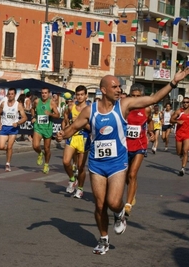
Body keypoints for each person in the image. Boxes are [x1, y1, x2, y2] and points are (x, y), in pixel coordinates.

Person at [56, 71, 189, 255]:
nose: (119, 90)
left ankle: (119, 214)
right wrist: (63, 135)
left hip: (117, 163)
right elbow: (73, 127)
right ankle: (103, 239)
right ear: (103, 90)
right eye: (115, 87)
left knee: (113, 201)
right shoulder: (90, 110)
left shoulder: (124, 105)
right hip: (96, 163)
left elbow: (152, 99)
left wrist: (173, 82)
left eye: (119, 86)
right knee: (100, 205)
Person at [125, 84, 154, 216]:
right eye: (133, 96)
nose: (135, 99)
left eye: (138, 96)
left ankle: (128, 204)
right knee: (126, 177)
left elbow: (150, 120)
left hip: (140, 146)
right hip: (125, 145)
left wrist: (152, 132)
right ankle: (133, 191)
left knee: (132, 174)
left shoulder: (146, 109)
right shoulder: (125, 108)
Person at [62, 85, 90, 199]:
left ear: (86, 96)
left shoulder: (90, 109)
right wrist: (63, 131)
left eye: (82, 95)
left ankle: (80, 188)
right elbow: (65, 121)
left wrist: (80, 122)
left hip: (84, 139)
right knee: (66, 161)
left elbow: (92, 127)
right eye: (78, 95)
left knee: (80, 167)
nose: (79, 97)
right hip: (72, 138)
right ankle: (72, 179)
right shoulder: (71, 107)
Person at [0, 88, 27, 171]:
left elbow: (24, 117)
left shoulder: (18, 105)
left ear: (14, 95)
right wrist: (0, 123)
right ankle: (9, 150)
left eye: (12, 94)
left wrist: (17, 123)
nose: (10, 95)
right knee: (1, 147)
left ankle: (7, 164)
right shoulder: (3, 104)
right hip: (4, 127)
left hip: (13, 128)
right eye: (9, 94)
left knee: (10, 146)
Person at [31, 87, 60, 174]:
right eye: (42, 93)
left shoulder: (51, 103)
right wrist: (33, 117)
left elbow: (58, 115)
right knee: (35, 146)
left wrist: (50, 113)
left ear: (49, 94)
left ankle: (46, 164)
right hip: (38, 127)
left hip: (47, 128)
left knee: (47, 149)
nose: (44, 94)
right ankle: (40, 153)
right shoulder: (36, 101)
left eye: (45, 93)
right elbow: (32, 109)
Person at [170, 97, 189, 176]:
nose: (185, 103)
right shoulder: (179, 111)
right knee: (179, 152)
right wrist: (177, 121)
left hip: (187, 135)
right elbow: (171, 120)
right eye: (184, 102)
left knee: (185, 151)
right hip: (179, 134)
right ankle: (181, 155)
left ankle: (182, 168)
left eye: (187, 102)